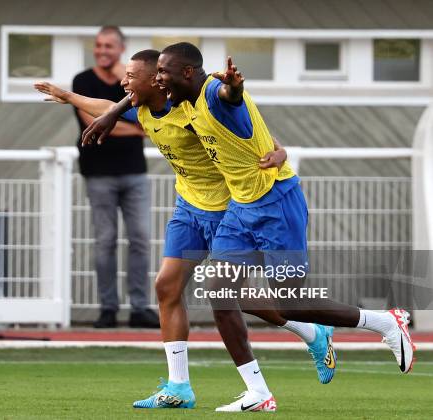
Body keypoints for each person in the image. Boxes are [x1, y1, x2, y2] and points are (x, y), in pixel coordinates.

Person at [37, 49, 335, 410]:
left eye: (132, 76)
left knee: (236, 297)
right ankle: (179, 387)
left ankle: (311, 331)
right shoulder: (144, 107)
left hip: (226, 209)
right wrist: (67, 96)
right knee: (166, 285)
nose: (123, 82)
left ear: (156, 80)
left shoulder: (192, 109)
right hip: (188, 207)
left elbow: (251, 133)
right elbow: (106, 105)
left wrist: (280, 151)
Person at [150, 42, 415, 412]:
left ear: (188, 73)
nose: (158, 78)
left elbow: (231, 97)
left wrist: (234, 88)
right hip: (241, 208)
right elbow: (253, 128)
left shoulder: (213, 93)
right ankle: (258, 393)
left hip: (277, 203)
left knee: (287, 300)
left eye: (163, 71)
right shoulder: (183, 102)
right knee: (221, 293)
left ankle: (386, 321)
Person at [72, 26, 158, 328]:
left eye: (108, 46)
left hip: (134, 171)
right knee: (105, 240)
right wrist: (134, 126)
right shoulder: (82, 81)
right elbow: (94, 121)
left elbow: (149, 122)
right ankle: (108, 308)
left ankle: (139, 308)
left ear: (121, 49)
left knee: (141, 239)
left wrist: (121, 123)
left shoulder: (132, 83)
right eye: (98, 46)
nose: (102, 51)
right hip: (98, 173)